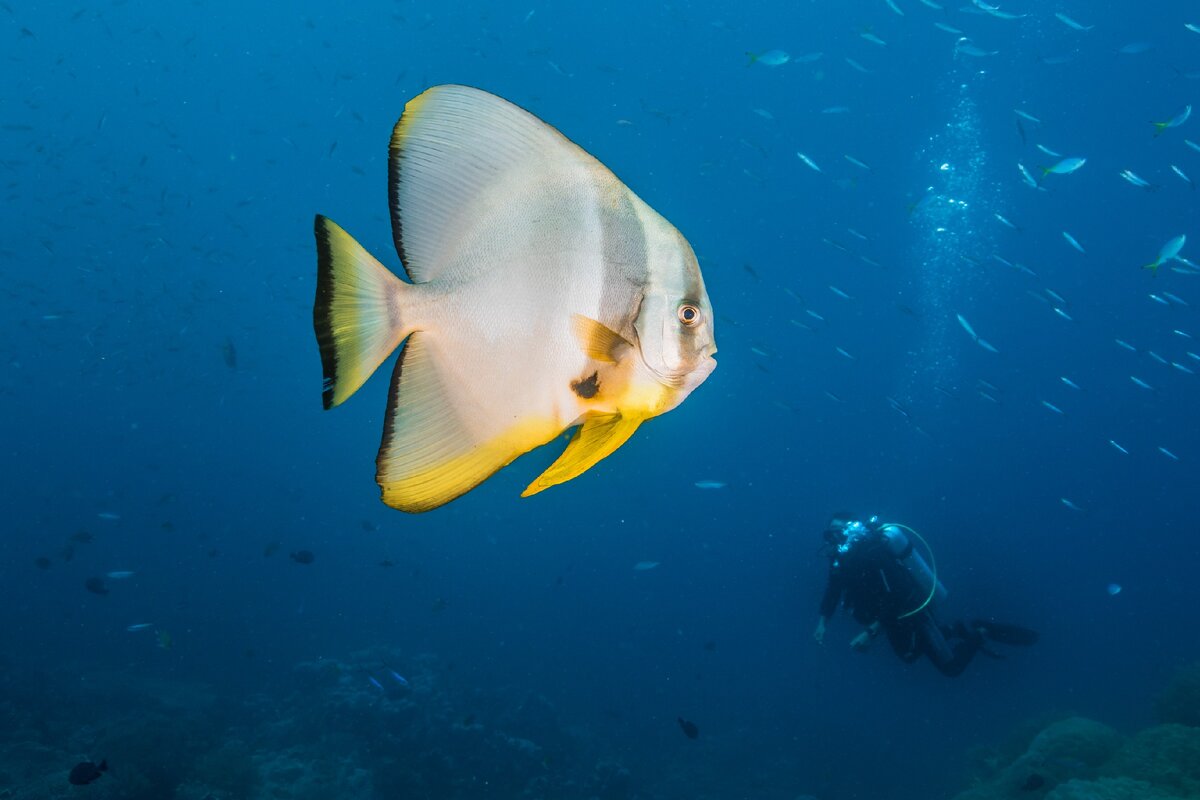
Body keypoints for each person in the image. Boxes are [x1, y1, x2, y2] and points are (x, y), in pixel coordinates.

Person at [812, 512, 1037, 677]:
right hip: (891, 620)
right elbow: (833, 590)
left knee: (950, 667)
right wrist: (823, 622)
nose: (833, 540)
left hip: (912, 612)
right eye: (828, 535)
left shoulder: (872, 554)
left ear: (849, 531)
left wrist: (871, 632)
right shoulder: (840, 562)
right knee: (909, 655)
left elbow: (899, 594)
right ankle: (956, 630)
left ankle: (980, 631)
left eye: (837, 534)